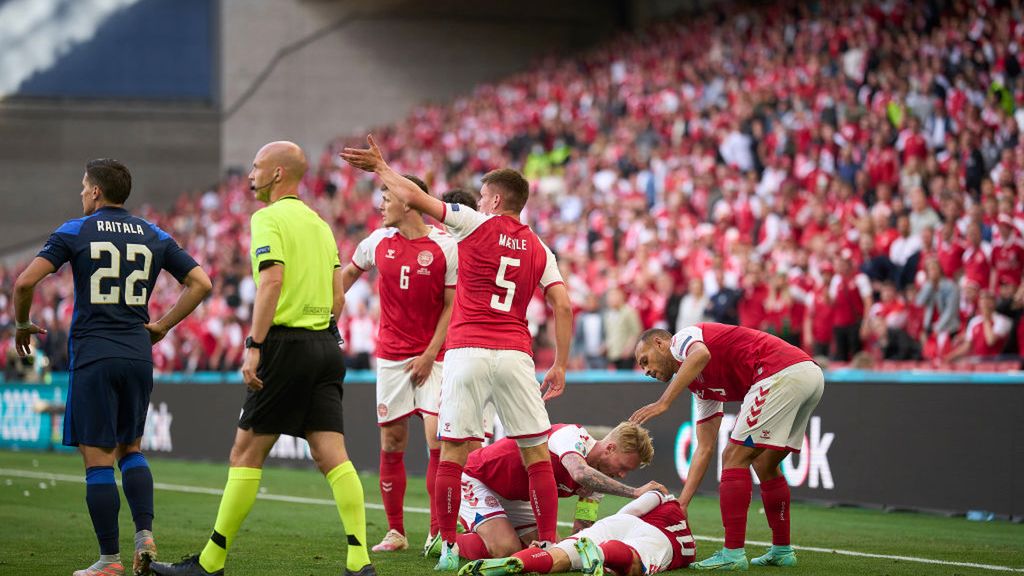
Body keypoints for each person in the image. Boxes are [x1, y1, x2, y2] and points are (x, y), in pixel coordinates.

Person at [341, 135, 574, 571]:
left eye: (484, 196)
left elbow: (414, 196)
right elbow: (562, 303)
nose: (479, 201)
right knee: (535, 453)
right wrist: (559, 363)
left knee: (452, 450)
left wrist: (381, 167)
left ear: (497, 199)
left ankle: (447, 546)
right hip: (515, 353)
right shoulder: (541, 248)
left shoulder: (473, 223)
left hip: (466, 350)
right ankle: (546, 544)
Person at [152, 142, 374, 576]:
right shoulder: (320, 224)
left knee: (245, 453)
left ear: (276, 174)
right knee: (332, 453)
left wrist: (255, 346)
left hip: (285, 346)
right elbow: (337, 296)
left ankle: (211, 562)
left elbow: (271, 282)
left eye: (255, 168)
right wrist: (322, 335)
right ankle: (360, 560)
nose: (250, 175)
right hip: (327, 346)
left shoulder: (267, 218)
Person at [13, 158, 211, 576]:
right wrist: (161, 326)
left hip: (94, 353)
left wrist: (21, 323)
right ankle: (144, 536)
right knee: (131, 449)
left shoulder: (75, 230)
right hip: (139, 353)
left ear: (97, 192)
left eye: (84, 187)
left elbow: (25, 282)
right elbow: (201, 283)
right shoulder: (153, 233)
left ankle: (109, 561)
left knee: (98, 458)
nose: (82, 193)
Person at [630, 323, 824, 570]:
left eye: (645, 361)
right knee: (764, 463)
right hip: (810, 376)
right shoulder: (701, 389)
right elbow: (704, 448)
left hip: (780, 371)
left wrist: (663, 402)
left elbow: (701, 354)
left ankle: (732, 553)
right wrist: (683, 502)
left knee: (733, 457)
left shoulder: (682, 339)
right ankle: (782, 550)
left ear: (660, 343)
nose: (646, 371)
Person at [339, 175, 459, 553]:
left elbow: (451, 305)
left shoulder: (445, 245)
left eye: (387, 197)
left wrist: (428, 354)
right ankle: (396, 531)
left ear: (409, 201)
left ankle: (438, 530)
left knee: (437, 434)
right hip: (391, 358)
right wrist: (317, 306)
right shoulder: (376, 242)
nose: (380, 204)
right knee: (392, 440)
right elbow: (345, 277)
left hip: (434, 356)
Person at [431, 422, 662, 562]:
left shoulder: (599, 481)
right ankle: (449, 542)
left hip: (518, 496)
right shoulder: (572, 437)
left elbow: (582, 528)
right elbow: (579, 472)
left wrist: (580, 552)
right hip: (479, 479)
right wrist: (634, 493)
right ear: (610, 448)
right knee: (506, 549)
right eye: (622, 467)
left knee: (554, 551)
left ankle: (492, 533)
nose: (621, 475)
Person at [459, 491, 695, 576]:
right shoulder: (689, 548)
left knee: (558, 555)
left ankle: (518, 563)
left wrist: (594, 531)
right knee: (633, 564)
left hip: (622, 521)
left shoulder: (666, 500)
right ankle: (601, 553)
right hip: (658, 540)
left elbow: (634, 509)